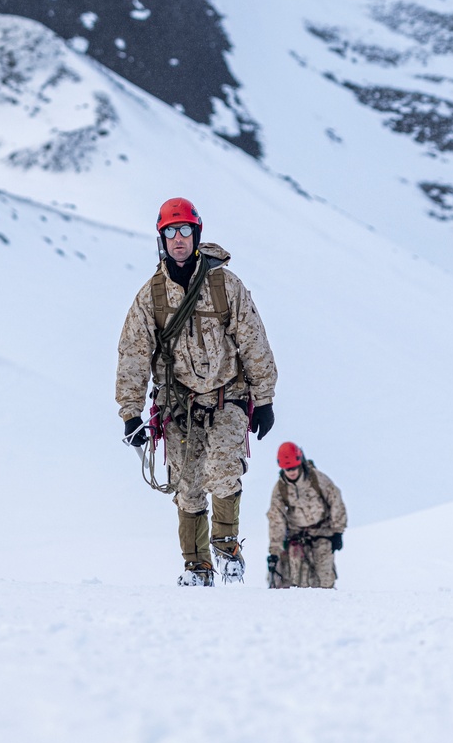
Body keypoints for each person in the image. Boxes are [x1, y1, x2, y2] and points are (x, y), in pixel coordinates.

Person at [116, 197, 277, 586]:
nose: (178, 239)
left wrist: (265, 398)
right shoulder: (151, 296)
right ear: (162, 240)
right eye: (170, 232)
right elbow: (134, 353)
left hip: (228, 397)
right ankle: (197, 567)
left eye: (185, 230)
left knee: (222, 472)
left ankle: (227, 550)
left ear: (197, 233)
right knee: (187, 488)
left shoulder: (225, 286)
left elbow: (254, 340)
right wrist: (131, 412)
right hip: (178, 405)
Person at [267, 442, 347, 589]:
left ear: (300, 463)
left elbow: (336, 501)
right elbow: (276, 519)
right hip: (296, 536)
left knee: (324, 576)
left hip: (322, 532)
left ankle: (330, 603)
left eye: (294, 468)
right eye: (287, 469)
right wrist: (275, 550)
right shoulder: (280, 489)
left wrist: (337, 532)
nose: (291, 472)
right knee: (294, 576)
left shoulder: (317, 479)